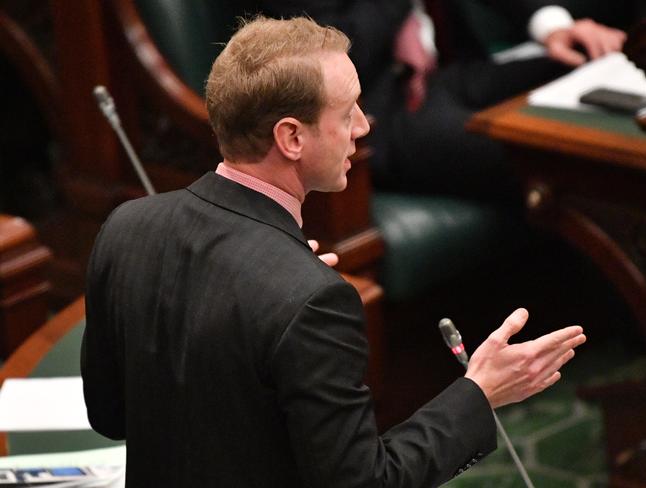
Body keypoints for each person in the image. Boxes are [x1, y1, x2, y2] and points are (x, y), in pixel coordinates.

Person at [81, 16, 586, 487]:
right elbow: (365, 481)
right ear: (292, 137)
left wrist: (276, 315)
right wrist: (479, 393)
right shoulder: (311, 300)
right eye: (348, 114)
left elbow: (109, 415)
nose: (364, 127)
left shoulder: (126, 226)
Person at [239, 0, 630, 200]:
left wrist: (555, 26)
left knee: (610, 72)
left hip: (455, 70)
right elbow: (333, 50)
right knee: (552, 150)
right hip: (379, 109)